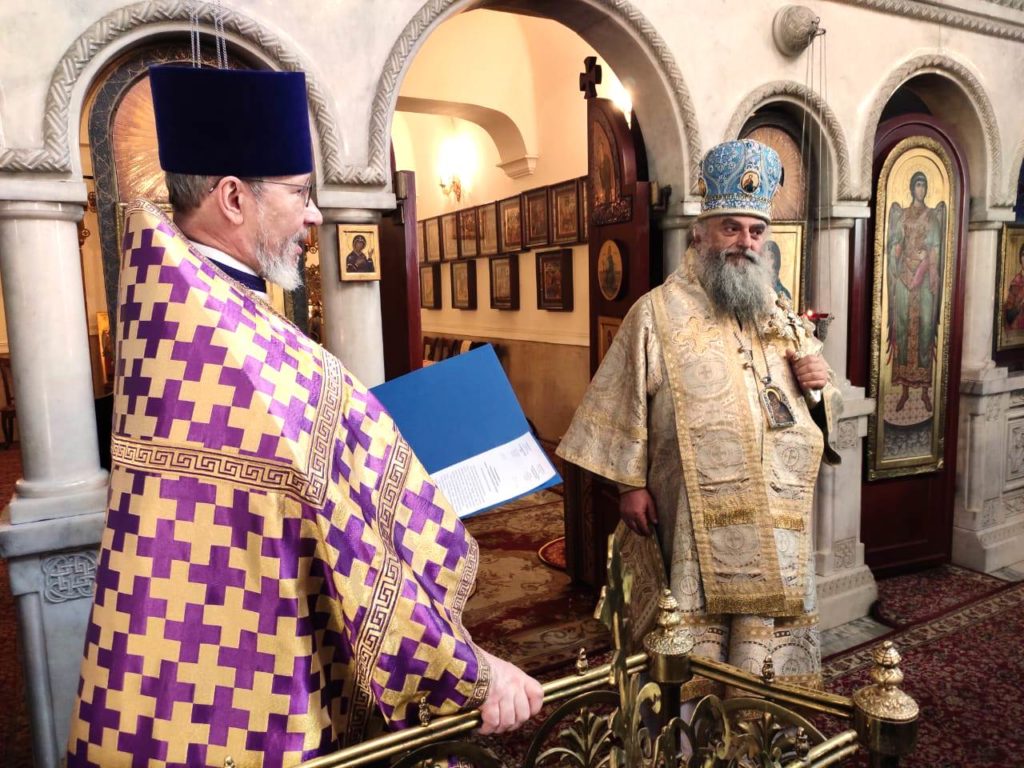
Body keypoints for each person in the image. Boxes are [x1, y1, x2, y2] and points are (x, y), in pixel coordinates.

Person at [66, 64, 541, 768]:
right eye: (299, 193)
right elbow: (343, 532)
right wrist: (472, 670)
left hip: (204, 666)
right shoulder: (217, 336)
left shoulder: (189, 300)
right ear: (233, 197)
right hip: (241, 702)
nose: (316, 215)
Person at [557, 139, 842, 700]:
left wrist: (818, 385)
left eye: (756, 232)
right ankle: (687, 737)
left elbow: (815, 408)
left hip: (776, 515)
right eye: (731, 228)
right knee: (691, 651)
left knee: (761, 656)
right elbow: (619, 403)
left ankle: (757, 724)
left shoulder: (778, 312)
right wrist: (629, 484)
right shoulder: (656, 312)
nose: (745, 242)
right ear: (702, 231)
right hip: (690, 518)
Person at [886, 170, 945, 413]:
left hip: (923, 279)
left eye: (923, 185)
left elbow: (936, 248)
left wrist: (929, 269)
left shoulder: (932, 217)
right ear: (911, 188)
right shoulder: (902, 216)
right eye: (917, 184)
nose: (920, 189)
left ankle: (924, 392)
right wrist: (896, 252)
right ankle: (904, 391)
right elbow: (895, 242)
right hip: (903, 277)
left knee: (924, 330)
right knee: (901, 329)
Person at [1005, 243, 1024, 331]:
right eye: (1023, 255)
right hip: (1018, 329)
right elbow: (1008, 315)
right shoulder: (1015, 282)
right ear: (1021, 258)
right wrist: (1020, 305)